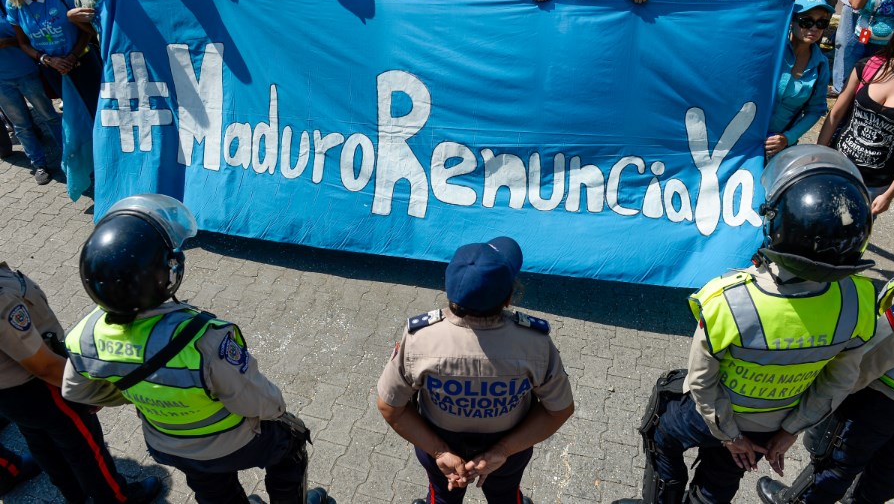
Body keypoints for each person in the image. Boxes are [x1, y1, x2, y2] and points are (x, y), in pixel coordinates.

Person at [613, 144, 876, 504]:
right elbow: (837, 383)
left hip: (720, 420)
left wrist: (730, 435)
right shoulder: (859, 301)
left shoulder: (727, 299)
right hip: (772, 426)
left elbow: (702, 383)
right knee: (721, 480)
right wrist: (788, 431)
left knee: (661, 425)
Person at [61, 194, 330, 504]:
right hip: (233, 441)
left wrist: (139, 392)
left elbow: (76, 391)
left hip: (168, 443)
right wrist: (279, 412)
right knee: (291, 445)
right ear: (165, 277)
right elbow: (257, 402)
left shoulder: (84, 337)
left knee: (209, 483)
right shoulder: (204, 340)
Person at [377, 236, 575, 504]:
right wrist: (503, 451)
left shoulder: (420, 338)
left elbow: (390, 406)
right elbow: (559, 409)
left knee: (442, 496)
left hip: (437, 437)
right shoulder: (534, 343)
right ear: (507, 299)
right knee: (506, 497)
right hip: (511, 444)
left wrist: (440, 452)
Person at [0, 260, 161, 503]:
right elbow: (42, 365)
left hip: (10, 393)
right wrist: (91, 389)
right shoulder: (3, 299)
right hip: (43, 386)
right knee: (85, 449)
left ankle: (73, 495)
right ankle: (116, 498)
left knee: (42, 442)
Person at [758, 267, 894, 504]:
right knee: (891, 460)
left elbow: (871, 356)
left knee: (837, 463)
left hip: (881, 398)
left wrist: (834, 393)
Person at [818, 12, 894, 214]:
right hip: (835, 167)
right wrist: (818, 155)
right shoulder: (867, 67)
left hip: (873, 186)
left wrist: (889, 195)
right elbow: (835, 115)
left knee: (848, 240)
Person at [1, 0, 101, 121]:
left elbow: (86, 29)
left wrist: (72, 56)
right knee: (77, 119)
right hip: (54, 70)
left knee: (100, 112)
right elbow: (24, 43)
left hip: (83, 61)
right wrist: (47, 60)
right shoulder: (14, 5)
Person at [0, 0, 61, 185]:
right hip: (1, 83)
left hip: (27, 72)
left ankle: (71, 159)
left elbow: (26, 36)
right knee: (21, 126)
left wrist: (7, 42)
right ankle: (39, 164)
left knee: (50, 116)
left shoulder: (7, 2)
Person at [766, 0, 833, 157]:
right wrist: (778, 2)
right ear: (791, 20)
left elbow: (816, 110)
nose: (814, 28)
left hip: (778, 148)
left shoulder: (821, 66)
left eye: (821, 22)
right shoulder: (771, 47)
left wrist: (788, 138)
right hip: (744, 135)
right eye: (807, 21)